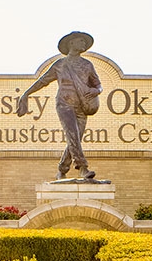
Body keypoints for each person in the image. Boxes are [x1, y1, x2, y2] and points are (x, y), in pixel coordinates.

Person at [17, 31, 102, 180]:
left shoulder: (87, 65)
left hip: (82, 106)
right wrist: (26, 94)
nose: (83, 44)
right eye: (80, 41)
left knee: (75, 138)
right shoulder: (60, 65)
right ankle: (83, 168)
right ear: (71, 43)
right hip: (64, 103)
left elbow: (98, 84)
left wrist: (95, 91)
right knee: (73, 134)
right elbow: (43, 81)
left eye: (84, 42)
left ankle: (62, 169)